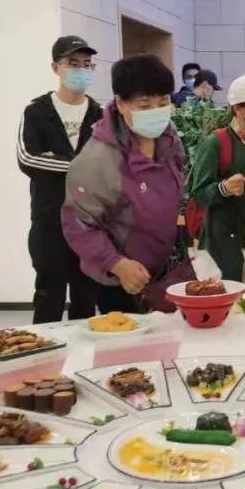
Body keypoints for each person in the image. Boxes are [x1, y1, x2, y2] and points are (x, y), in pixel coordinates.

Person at [62, 54, 187, 313]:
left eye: (163, 102)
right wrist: (116, 264)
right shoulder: (98, 159)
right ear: (120, 103)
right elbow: (80, 226)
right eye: (144, 106)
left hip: (164, 270)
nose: (156, 112)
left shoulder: (169, 137)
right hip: (121, 279)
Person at [17, 36, 103, 324]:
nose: (81, 70)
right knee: (48, 296)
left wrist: (56, 160)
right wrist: (82, 166)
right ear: (56, 67)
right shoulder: (37, 111)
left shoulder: (100, 115)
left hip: (89, 222)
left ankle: (83, 352)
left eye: (87, 64)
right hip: (49, 220)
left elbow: (109, 164)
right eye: (73, 63)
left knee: (85, 297)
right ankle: (43, 351)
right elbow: (28, 159)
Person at [188, 74, 245, 281]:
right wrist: (224, 188)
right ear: (237, 108)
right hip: (225, 245)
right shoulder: (216, 142)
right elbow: (198, 193)